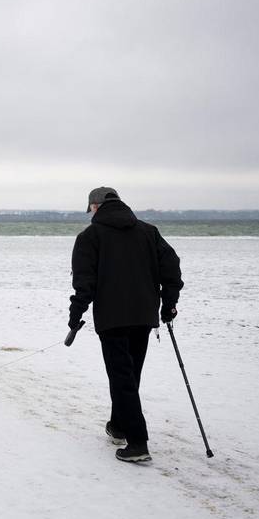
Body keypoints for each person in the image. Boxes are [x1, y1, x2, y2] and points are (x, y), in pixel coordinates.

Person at [67, 187, 183, 463]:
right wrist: (169, 304)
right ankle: (119, 426)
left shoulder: (90, 237)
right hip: (144, 315)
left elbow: (84, 282)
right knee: (129, 375)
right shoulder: (148, 231)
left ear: (95, 207)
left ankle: (138, 442)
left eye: (90, 209)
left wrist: (75, 314)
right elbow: (172, 269)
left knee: (122, 377)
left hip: (112, 318)